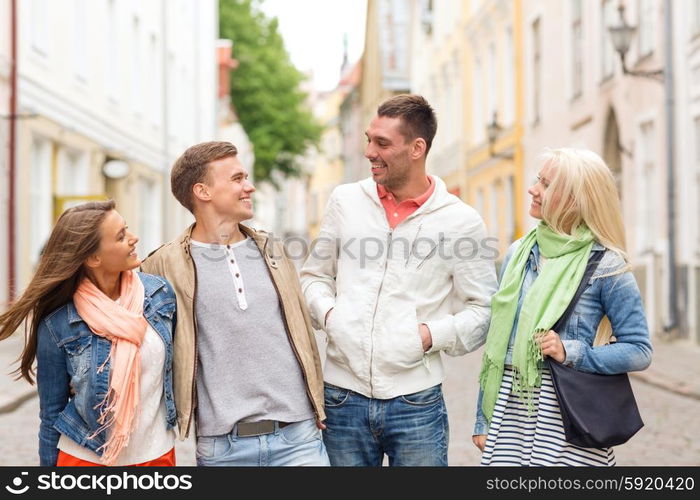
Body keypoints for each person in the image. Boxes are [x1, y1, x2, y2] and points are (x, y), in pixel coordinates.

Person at [300, 94, 498, 466]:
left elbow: (484, 309)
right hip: (342, 398)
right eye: (369, 139)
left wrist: (426, 337)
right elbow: (313, 278)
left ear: (416, 148)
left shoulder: (460, 221)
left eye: (382, 143)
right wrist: (332, 317)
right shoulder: (345, 201)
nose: (369, 151)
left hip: (416, 403)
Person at [140, 141, 328, 466]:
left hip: (299, 440)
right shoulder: (161, 265)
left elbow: (301, 332)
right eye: (238, 178)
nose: (249, 186)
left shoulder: (273, 250)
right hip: (223, 449)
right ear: (203, 191)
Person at [472, 148, 653, 466]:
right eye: (537, 180)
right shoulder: (519, 253)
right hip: (511, 414)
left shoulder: (606, 264)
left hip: (567, 418)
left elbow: (639, 350)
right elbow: (499, 345)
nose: (533, 189)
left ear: (573, 200)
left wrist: (571, 351)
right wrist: (483, 419)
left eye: (545, 184)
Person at [0, 201, 177, 466]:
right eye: (120, 236)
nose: (133, 238)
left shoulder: (159, 295)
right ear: (94, 258)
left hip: (156, 455)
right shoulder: (59, 324)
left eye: (126, 229)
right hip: (87, 459)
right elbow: (51, 414)